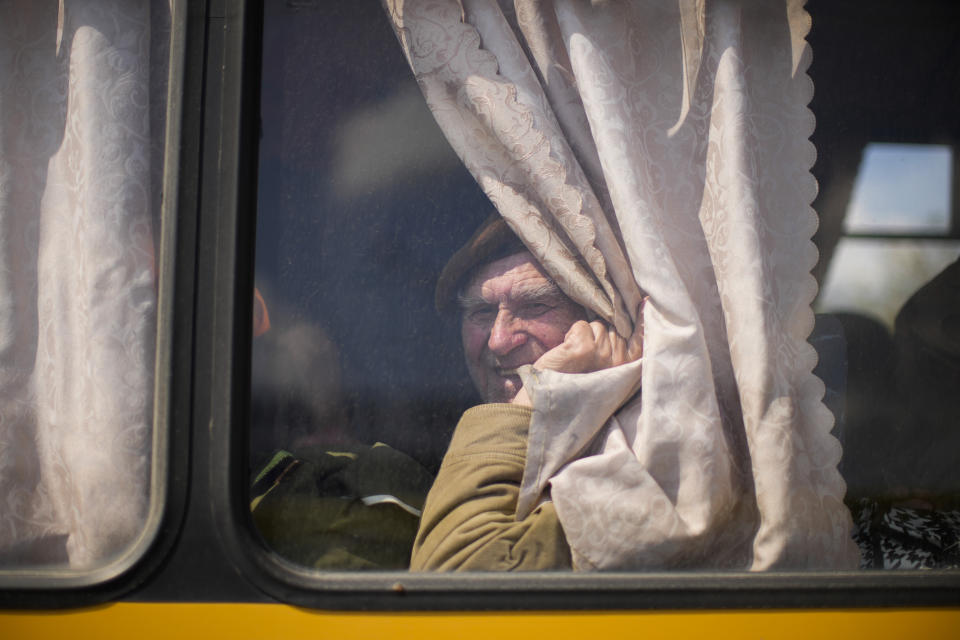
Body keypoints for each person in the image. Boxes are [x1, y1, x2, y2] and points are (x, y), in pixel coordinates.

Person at [410, 215, 643, 571]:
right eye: (482, 312)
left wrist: (538, 392)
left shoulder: (640, 457)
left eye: (535, 306)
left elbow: (458, 576)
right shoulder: (422, 463)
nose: (499, 340)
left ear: (602, 320)